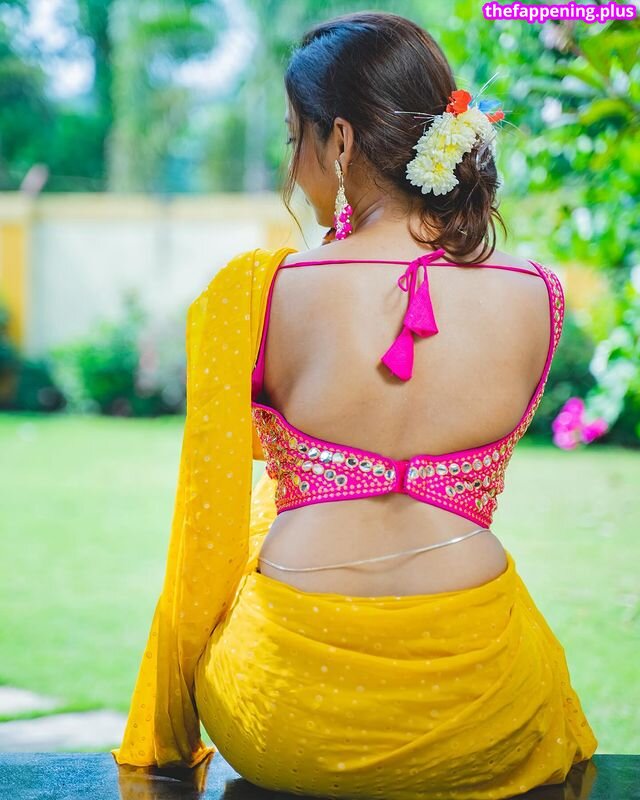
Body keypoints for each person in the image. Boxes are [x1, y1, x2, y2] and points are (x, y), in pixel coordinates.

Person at [111, 11, 598, 800]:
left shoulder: (259, 291)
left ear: (338, 142)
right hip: (486, 714)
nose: (291, 162)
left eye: (292, 136)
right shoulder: (536, 294)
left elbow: (206, 522)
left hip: (287, 717)